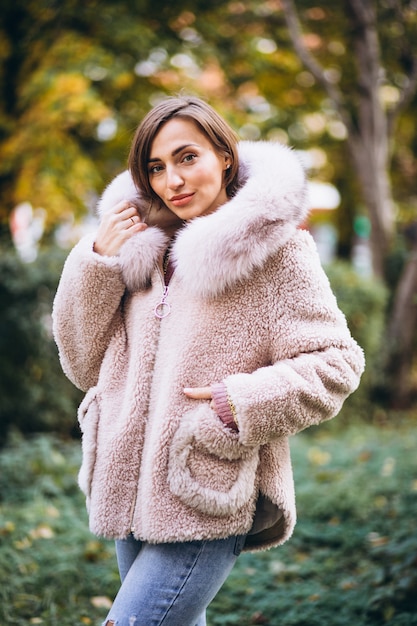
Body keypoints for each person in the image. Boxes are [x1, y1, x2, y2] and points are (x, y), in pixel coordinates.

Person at [52, 95, 365, 626]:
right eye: (156, 167)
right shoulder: (140, 253)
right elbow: (83, 365)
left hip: (203, 486)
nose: (172, 180)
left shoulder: (277, 251)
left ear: (224, 155)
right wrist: (98, 265)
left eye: (187, 157)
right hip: (127, 486)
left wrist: (236, 403)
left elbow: (337, 362)